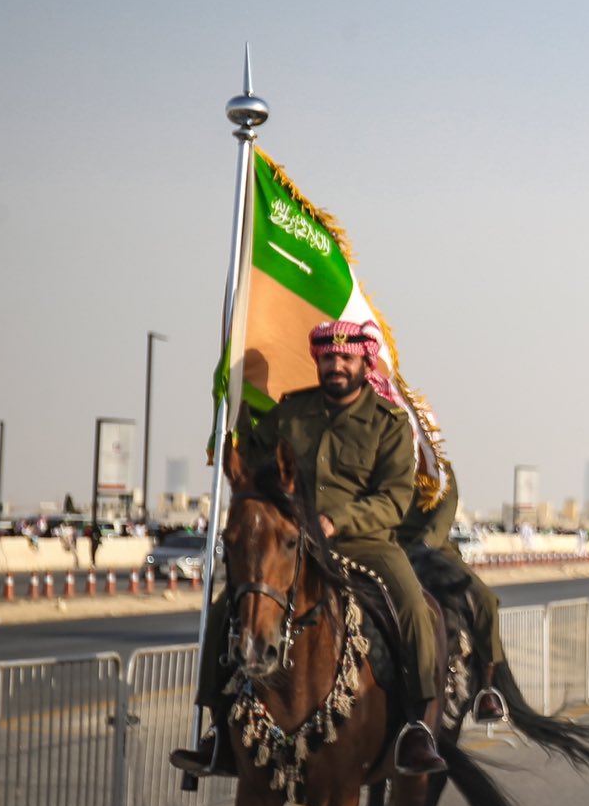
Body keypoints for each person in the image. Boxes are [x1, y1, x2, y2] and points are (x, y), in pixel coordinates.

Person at [172, 320, 446, 777]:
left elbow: (394, 499)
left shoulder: (390, 424)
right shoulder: (291, 413)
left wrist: (338, 520)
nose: (335, 365)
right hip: (293, 542)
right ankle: (217, 729)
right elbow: (253, 462)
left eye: (346, 357)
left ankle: (416, 727)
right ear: (317, 359)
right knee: (226, 609)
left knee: (415, 609)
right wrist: (231, 411)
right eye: (327, 357)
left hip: (365, 543)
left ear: (364, 362)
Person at [396, 463, 507, 724]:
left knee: (485, 600)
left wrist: (428, 541)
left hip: (431, 547)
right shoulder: (376, 449)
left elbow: (446, 506)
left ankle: (487, 689)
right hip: (386, 544)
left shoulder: (433, 460)